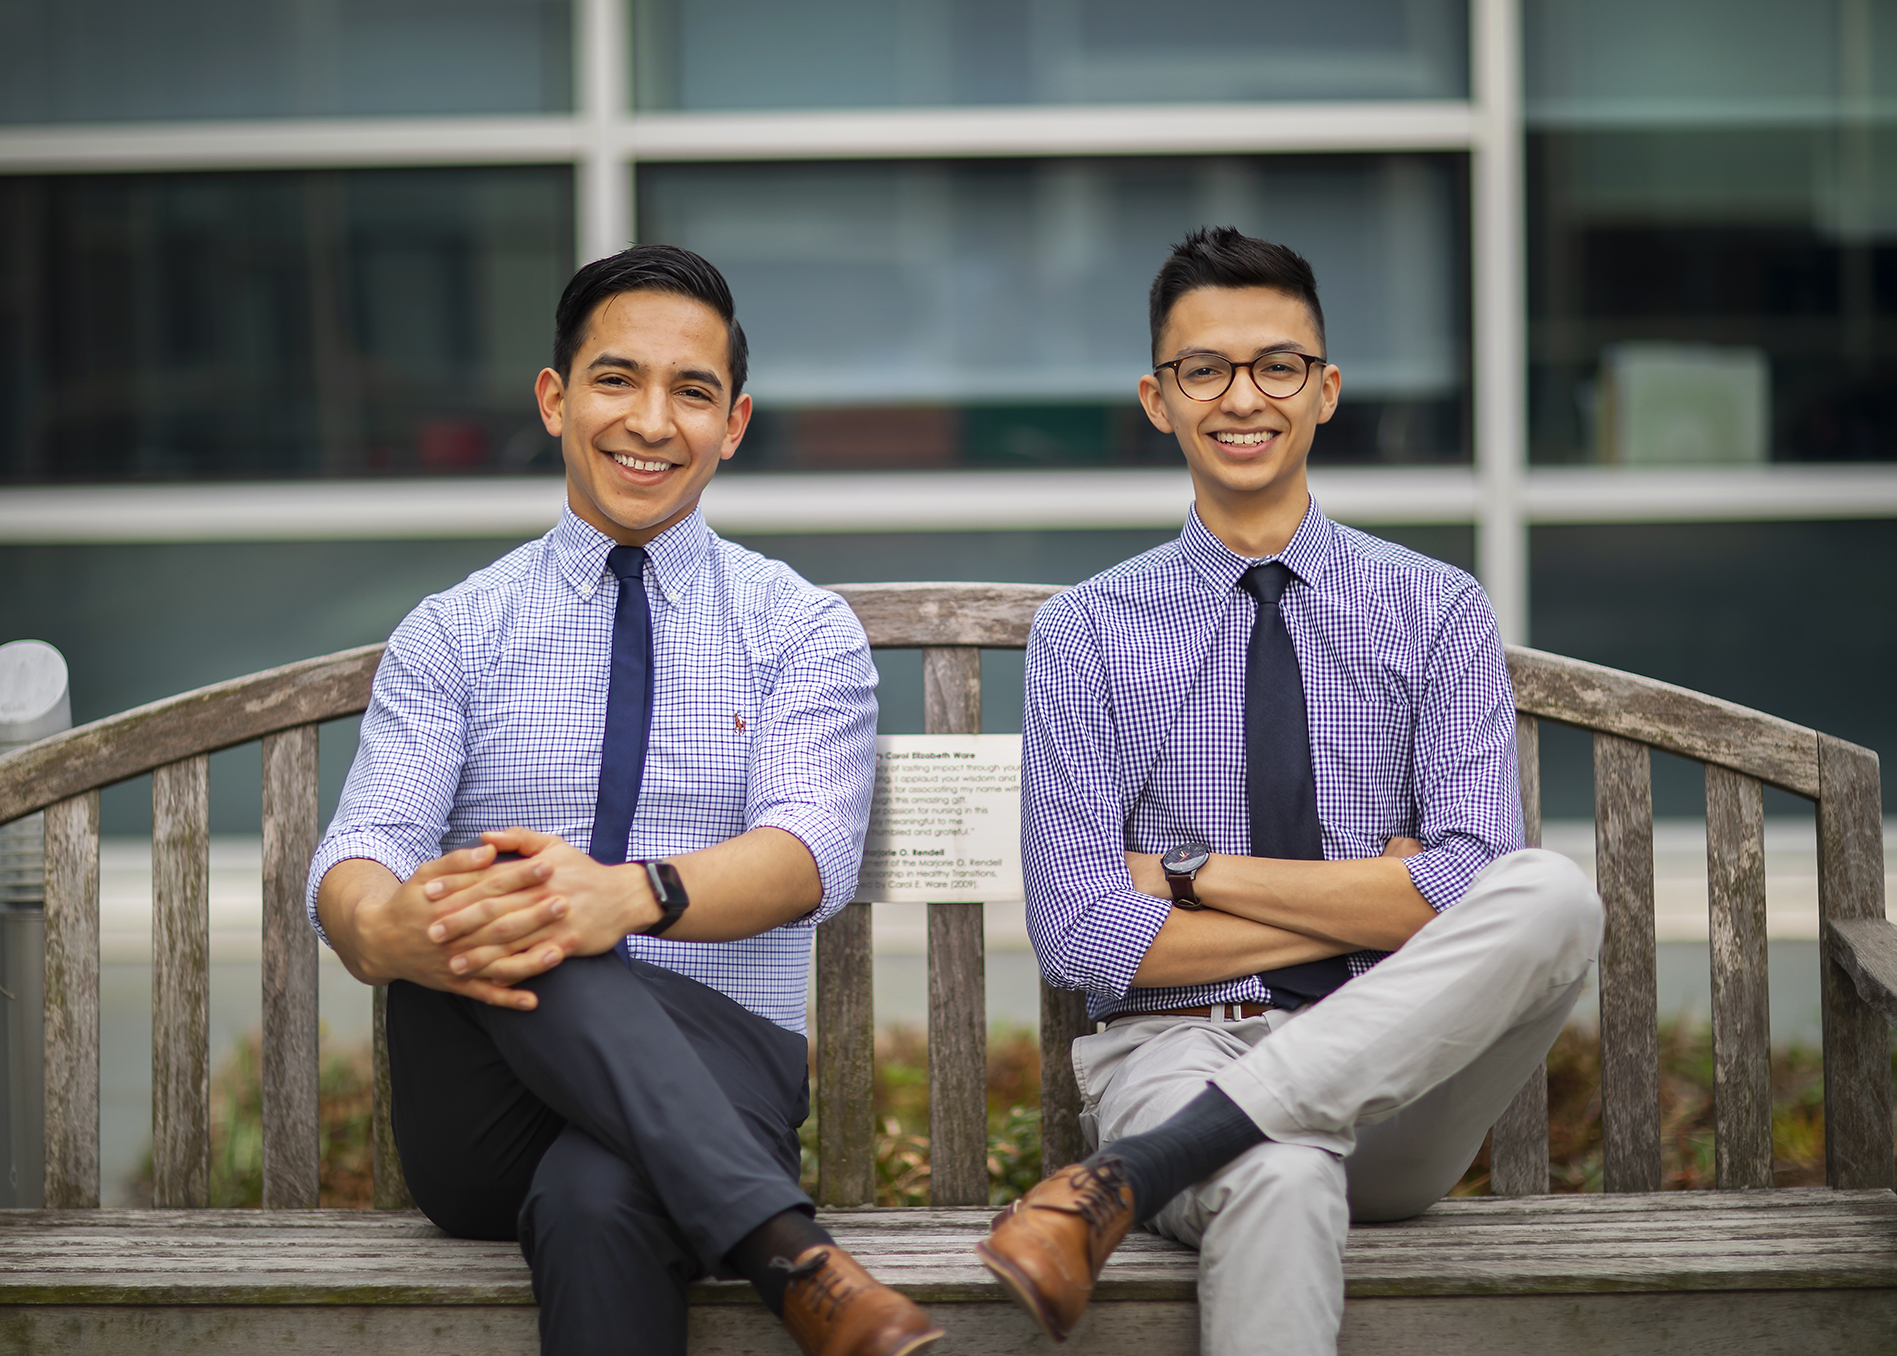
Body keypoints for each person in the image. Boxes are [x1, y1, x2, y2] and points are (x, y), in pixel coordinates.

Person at [306, 244, 943, 1356]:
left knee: (598, 1198)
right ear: (556, 399)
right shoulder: (457, 631)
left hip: (722, 1063)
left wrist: (629, 897)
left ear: (732, 424)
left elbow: (806, 856)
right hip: (485, 1103)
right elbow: (364, 844)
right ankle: (795, 1255)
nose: (650, 421)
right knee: (509, 889)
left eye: (690, 392)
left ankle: (778, 1251)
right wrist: (378, 926)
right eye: (616, 380)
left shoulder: (797, 630)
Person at [977, 227, 1602, 1356]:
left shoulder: (1435, 610)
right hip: (1174, 1053)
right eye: (1201, 369)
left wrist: (1186, 876)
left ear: (1324, 391)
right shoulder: (1085, 632)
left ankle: (1129, 1177)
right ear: (1156, 399)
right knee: (1272, 1172)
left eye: (1275, 365)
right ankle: (1183, 1144)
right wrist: (1378, 897)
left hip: (1400, 1083)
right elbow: (1078, 933)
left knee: (1551, 894)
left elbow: (1466, 890)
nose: (1240, 398)